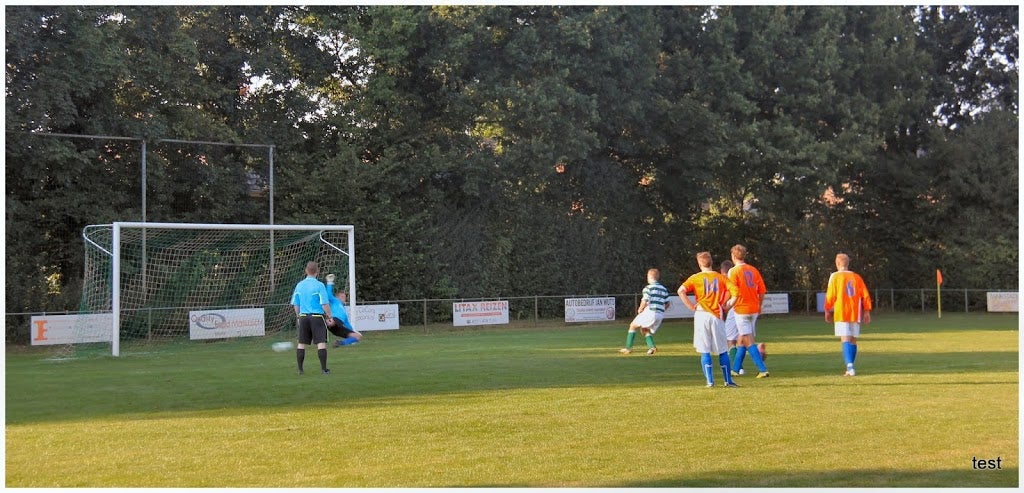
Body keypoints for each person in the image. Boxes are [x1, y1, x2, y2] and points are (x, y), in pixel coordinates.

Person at [678, 252, 739, 388]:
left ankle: (710, 382)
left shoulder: (695, 278)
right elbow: (736, 292)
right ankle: (728, 381)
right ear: (711, 262)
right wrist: (728, 306)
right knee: (722, 349)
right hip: (716, 315)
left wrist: (690, 306)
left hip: (701, 314)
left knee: (704, 349)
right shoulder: (720, 277)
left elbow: (681, 290)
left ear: (699, 264)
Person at [824, 253, 873, 376]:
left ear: (837, 263)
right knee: (853, 340)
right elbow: (865, 294)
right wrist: (867, 311)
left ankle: (850, 367)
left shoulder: (835, 277)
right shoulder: (856, 277)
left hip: (841, 311)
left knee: (845, 338)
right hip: (855, 312)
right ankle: (850, 367)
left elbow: (830, 295)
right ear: (848, 263)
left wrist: (827, 310)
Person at [727, 244, 770, 379]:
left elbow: (732, 291)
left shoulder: (733, 271)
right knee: (741, 340)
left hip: (741, 309)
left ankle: (762, 369)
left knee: (748, 340)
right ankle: (735, 369)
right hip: (753, 309)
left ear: (733, 256)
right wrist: (759, 305)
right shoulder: (753, 270)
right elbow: (762, 291)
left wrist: (726, 305)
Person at [290, 261, 335, 375]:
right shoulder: (319, 285)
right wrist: (330, 316)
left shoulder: (299, 285)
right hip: (317, 317)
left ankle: (300, 370)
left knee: (301, 343)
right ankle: (324, 369)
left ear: (306, 271)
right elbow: (324, 303)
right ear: (317, 271)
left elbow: (296, 304)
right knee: (321, 342)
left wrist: (298, 316)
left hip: (303, 317)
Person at [619, 268, 671, 355]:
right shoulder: (663, 289)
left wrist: (640, 308)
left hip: (651, 312)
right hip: (660, 315)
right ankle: (652, 347)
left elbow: (645, 299)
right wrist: (660, 310)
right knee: (644, 329)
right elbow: (668, 303)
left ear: (649, 277)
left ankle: (628, 348)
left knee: (632, 326)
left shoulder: (648, 288)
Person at [325, 273, 362, 347]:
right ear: (337, 297)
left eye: (344, 297)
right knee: (330, 322)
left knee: (358, 336)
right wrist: (329, 282)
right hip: (334, 321)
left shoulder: (344, 311)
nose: (344, 298)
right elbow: (328, 295)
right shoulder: (335, 301)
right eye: (342, 296)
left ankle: (340, 343)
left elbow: (347, 324)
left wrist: (353, 331)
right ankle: (323, 325)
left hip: (338, 328)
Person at [720, 260, 741, 373]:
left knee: (730, 340)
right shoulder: (738, 276)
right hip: (744, 309)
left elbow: (728, 295)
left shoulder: (725, 280)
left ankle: (738, 368)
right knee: (743, 339)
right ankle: (756, 349)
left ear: (722, 271)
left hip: (733, 309)